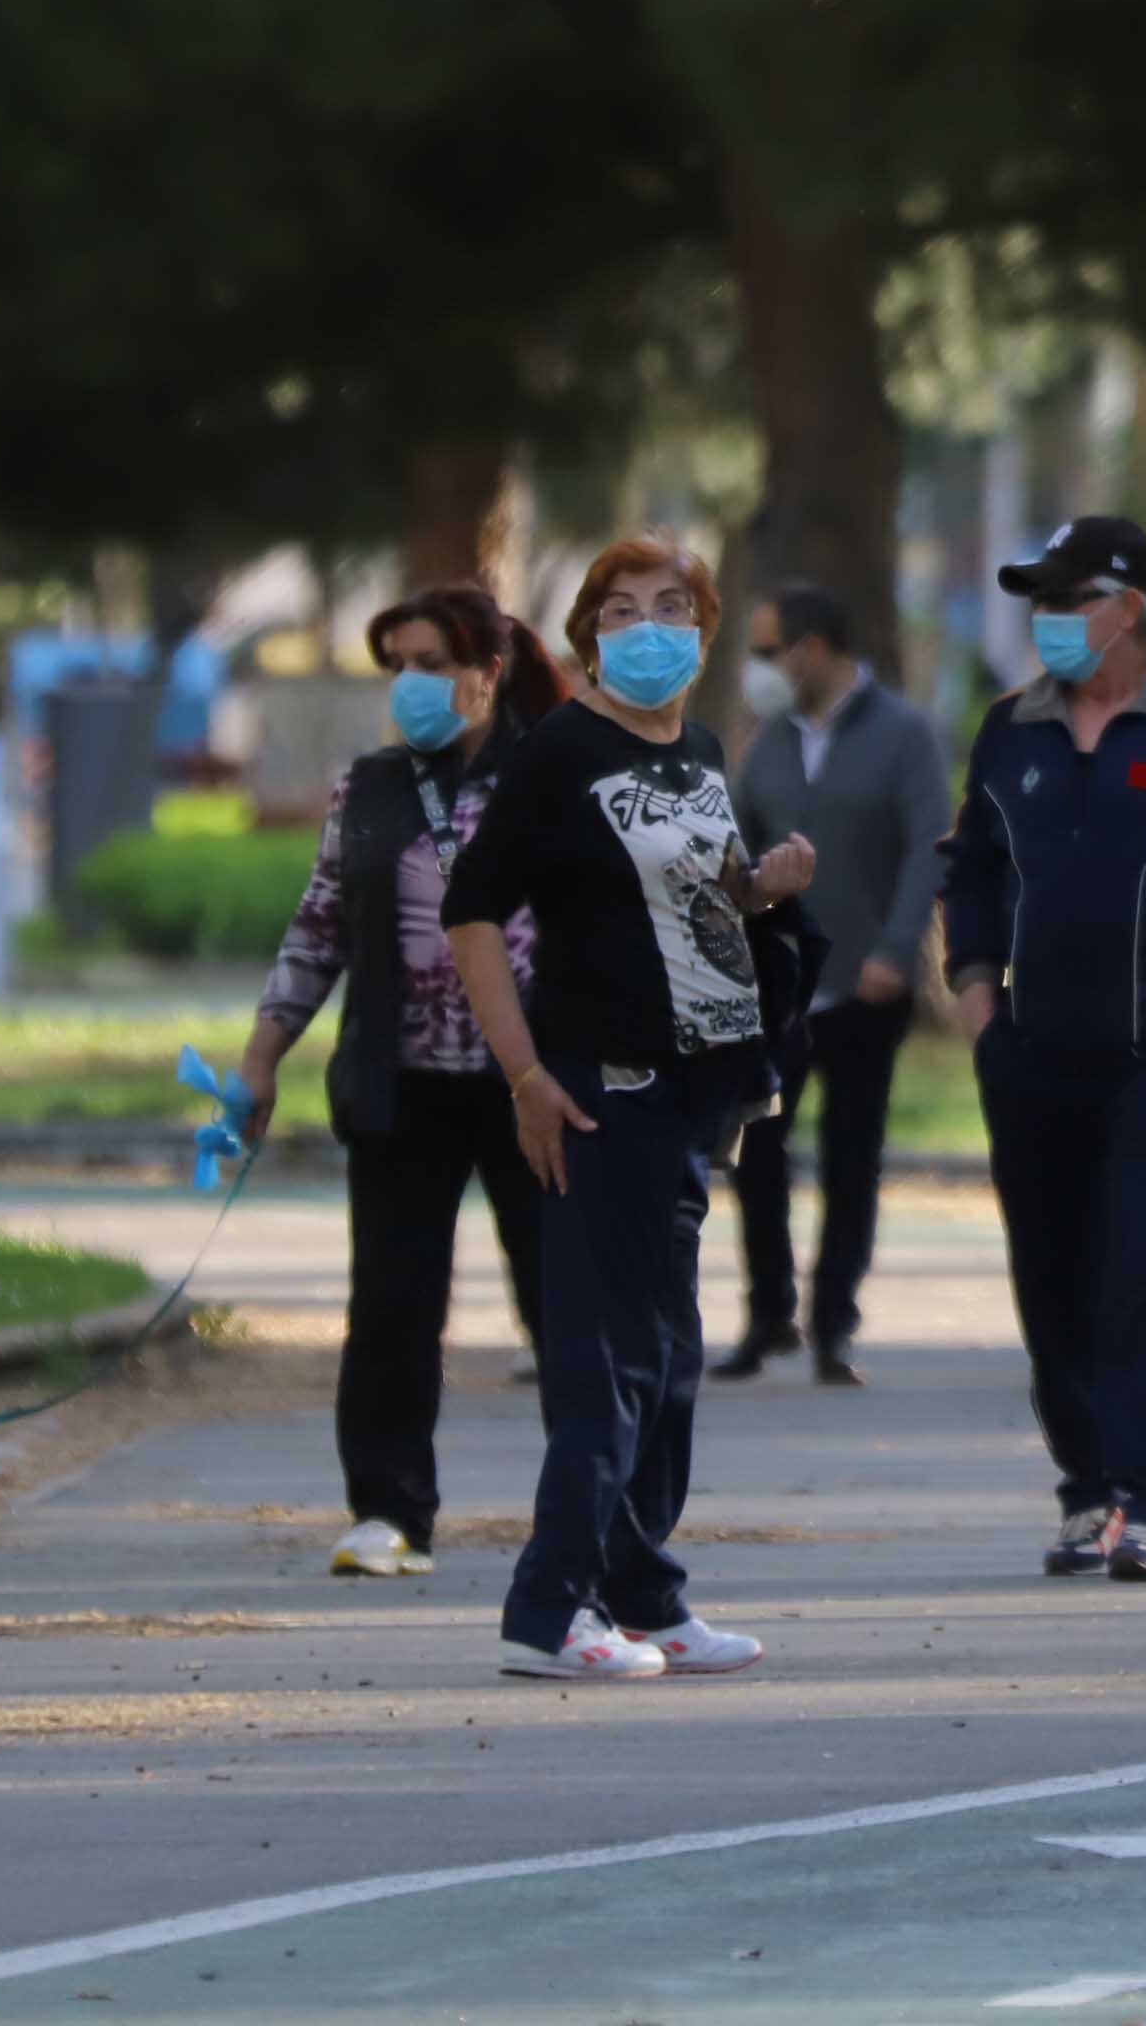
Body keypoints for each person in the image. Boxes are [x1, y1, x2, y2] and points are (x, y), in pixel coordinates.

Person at [441, 536, 816, 1681]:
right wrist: (523, 1072)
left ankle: (643, 1591)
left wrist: (761, 887)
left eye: (670, 607)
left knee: (668, 1356)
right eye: (619, 610)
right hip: (599, 1087)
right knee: (604, 1360)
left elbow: (694, 897)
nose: (647, 628)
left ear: (703, 632)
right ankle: (549, 1607)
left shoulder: (697, 749)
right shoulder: (560, 752)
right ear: (588, 636)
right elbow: (471, 911)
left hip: (692, 1090)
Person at [236, 585, 563, 1579]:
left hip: (534, 1084)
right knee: (391, 1305)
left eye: (431, 663)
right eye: (400, 667)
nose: (411, 685)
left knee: (562, 1298)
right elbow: (319, 926)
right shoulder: (372, 786)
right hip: (401, 1080)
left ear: (486, 671)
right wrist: (261, 1057)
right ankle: (387, 1509)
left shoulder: (554, 776)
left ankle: (593, 1504)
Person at [941, 516, 1146, 1583]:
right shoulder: (1010, 727)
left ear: (1130, 608)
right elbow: (972, 869)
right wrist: (979, 1004)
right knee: (1051, 1273)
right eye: (1039, 601)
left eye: (1069, 599)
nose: (1048, 620)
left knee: (1145, 1266)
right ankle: (1088, 1488)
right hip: (1031, 1050)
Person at [722, 583, 952, 1386]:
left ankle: (834, 1324)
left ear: (811, 648)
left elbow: (929, 845)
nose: (757, 667)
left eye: (766, 650)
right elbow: (736, 842)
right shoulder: (768, 739)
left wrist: (896, 948)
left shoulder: (902, 733)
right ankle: (767, 1316)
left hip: (864, 985)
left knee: (852, 1158)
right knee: (757, 1153)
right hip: (776, 987)